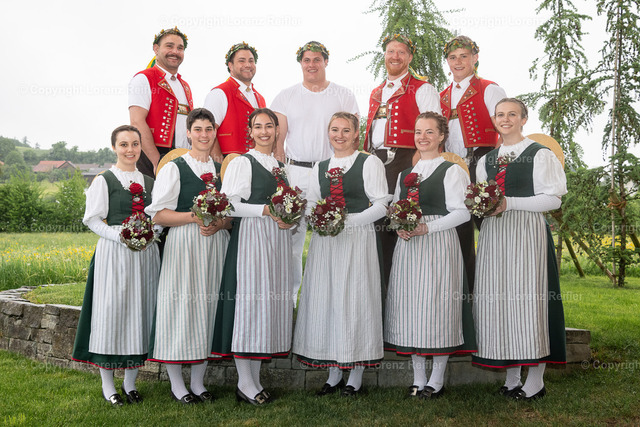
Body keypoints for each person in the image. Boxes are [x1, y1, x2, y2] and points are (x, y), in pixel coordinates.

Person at [473, 98, 567, 400]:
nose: (505, 119)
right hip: (494, 234)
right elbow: (480, 199)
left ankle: (535, 380)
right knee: (500, 301)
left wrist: (509, 203)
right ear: (494, 120)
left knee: (528, 302)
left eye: (512, 114)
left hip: (526, 232)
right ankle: (512, 378)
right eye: (500, 114)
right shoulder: (486, 160)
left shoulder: (539, 154)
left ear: (524, 119)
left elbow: (553, 199)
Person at [293, 112, 388, 397]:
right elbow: (311, 203)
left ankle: (355, 376)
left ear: (356, 133)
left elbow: (382, 204)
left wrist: (346, 222)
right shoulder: (320, 167)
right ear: (328, 133)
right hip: (325, 242)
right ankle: (334, 373)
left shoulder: (368, 162)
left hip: (357, 238)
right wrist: (320, 220)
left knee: (355, 299)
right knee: (328, 299)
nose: (340, 135)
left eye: (346, 130)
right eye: (335, 130)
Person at [384, 112, 475, 400]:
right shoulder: (403, 175)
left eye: (429, 132)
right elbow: (397, 209)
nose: (422, 137)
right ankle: (418, 378)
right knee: (410, 307)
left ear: (442, 136)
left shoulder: (452, 171)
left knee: (437, 308)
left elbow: (463, 213)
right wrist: (399, 226)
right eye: (418, 132)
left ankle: (436, 379)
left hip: (438, 243)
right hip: (409, 246)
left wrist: (428, 227)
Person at [145, 108, 230, 404]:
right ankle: (177, 384)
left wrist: (220, 223)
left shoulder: (221, 171)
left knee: (207, 309)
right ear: (188, 133)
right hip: (184, 244)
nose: (204, 135)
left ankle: (198, 382)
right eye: (198, 129)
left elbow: (231, 216)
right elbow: (158, 214)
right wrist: (194, 217)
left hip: (215, 245)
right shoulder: (175, 168)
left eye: (209, 129)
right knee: (180, 307)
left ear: (215, 132)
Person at [211, 108, 294, 405]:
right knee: (250, 305)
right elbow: (228, 205)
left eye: (269, 126)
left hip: (276, 239)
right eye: (258, 126)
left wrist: (288, 219)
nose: (264, 132)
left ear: (277, 131)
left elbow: (287, 204)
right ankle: (245, 382)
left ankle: (254, 381)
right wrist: (266, 210)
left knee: (265, 308)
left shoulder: (280, 166)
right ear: (250, 131)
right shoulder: (242, 162)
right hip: (252, 237)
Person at [72, 125, 160, 406]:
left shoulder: (150, 182)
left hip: (145, 256)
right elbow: (92, 219)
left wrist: (150, 235)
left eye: (135, 144)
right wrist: (121, 236)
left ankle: (130, 383)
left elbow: (158, 218)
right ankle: (108, 386)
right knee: (111, 314)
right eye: (124, 144)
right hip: (113, 254)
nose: (130, 150)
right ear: (114, 147)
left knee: (140, 313)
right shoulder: (104, 180)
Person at [271, 41, 359, 304]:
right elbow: (278, 140)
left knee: (335, 232)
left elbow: (353, 138)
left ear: (326, 62)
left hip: (331, 172)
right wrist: (281, 178)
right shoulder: (286, 96)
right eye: (307, 60)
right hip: (296, 171)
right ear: (300, 63)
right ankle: (289, 300)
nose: (312, 64)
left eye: (317, 59)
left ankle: (333, 298)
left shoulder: (343, 94)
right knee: (292, 238)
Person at [363, 34, 441, 287]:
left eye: (401, 52)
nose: (395, 56)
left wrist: (418, 163)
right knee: (377, 221)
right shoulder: (376, 92)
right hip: (375, 160)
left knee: (399, 219)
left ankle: (402, 285)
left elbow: (435, 128)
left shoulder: (423, 88)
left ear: (409, 57)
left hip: (406, 159)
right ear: (384, 55)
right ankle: (379, 287)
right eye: (390, 51)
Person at [440, 35, 507, 293]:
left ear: (475, 58)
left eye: (463, 56)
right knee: (458, 229)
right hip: (451, 167)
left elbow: (505, 128)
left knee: (490, 228)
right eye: (452, 57)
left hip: (482, 161)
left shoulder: (489, 89)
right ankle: (464, 292)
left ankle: (498, 289)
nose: (458, 62)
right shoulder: (442, 96)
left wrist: (497, 169)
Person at [129, 27, 193, 177]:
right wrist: (157, 161)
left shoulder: (185, 86)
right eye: (169, 46)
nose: (175, 52)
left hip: (183, 158)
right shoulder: (143, 79)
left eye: (180, 48)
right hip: (152, 157)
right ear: (156, 49)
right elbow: (137, 122)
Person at [204, 42, 266, 162]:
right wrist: (221, 166)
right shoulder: (219, 93)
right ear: (230, 65)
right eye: (242, 61)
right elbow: (207, 132)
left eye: (251, 61)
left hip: (256, 164)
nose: (247, 65)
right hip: (228, 163)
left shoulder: (260, 98)